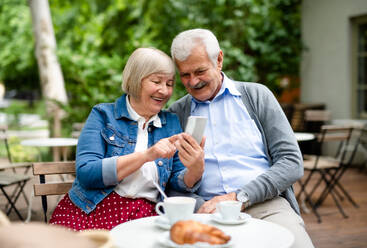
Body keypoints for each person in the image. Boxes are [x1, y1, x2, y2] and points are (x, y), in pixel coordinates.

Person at [168, 29, 314, 247]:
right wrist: (197, 198)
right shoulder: (176, 113)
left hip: (265, 205)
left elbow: (291, 162)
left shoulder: (257, 96)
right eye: (185, 75)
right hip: (205, 211)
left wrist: (239, 197)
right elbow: (170, 178)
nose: (193, 81)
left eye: (199, 71)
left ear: (218, 60)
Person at [49, 47, 205, 231]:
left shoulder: (170, 123)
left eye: (170, 84)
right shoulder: (103, 115)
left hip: (145, 215)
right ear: (134, 81)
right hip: (91, 209)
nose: (164, 91)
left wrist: (195, 168)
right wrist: (147, 155)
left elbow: (177, 183)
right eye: (156, 81)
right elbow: (87, 173)